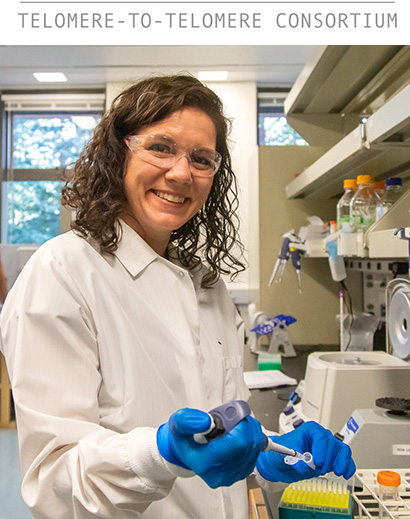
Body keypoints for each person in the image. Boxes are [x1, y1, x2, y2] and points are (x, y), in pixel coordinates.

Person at [0, 75, 355, 519]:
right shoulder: (62, 274)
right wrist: (161, 453)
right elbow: (55, 485)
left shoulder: (206, 284)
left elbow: (215, 435)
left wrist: (268, 453)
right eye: (160, 147)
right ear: (118, 153)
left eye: (201, 159)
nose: (182, 173)